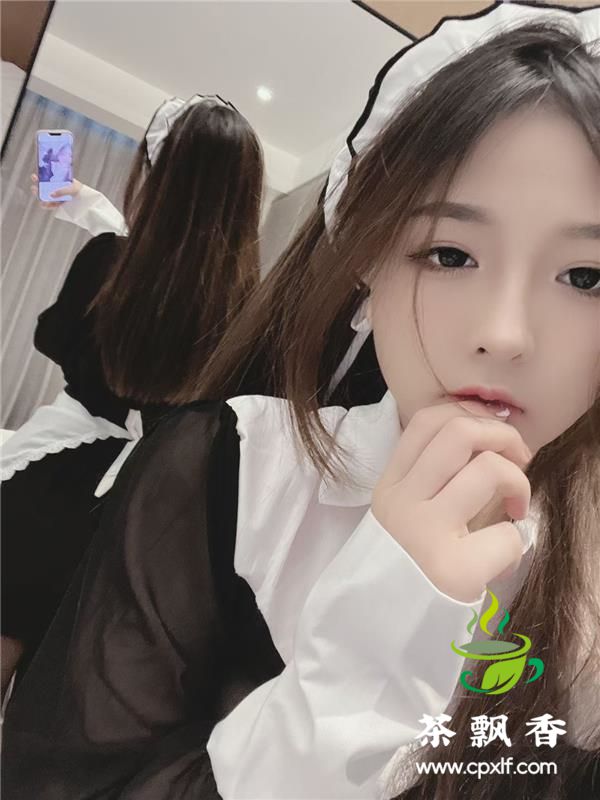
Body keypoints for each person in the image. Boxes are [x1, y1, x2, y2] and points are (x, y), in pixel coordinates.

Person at [3, 4, 600, 799]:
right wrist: (373, 644)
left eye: (587, 276)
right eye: (450, 254)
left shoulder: (111, 249)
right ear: (366, 265)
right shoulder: (240, 474)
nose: (505, 335)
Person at [0, 94, 264, 694]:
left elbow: (54, 336)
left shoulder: (111, 260)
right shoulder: (249, 309)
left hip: (50, 482)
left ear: (156, 173)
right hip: (135, 519)